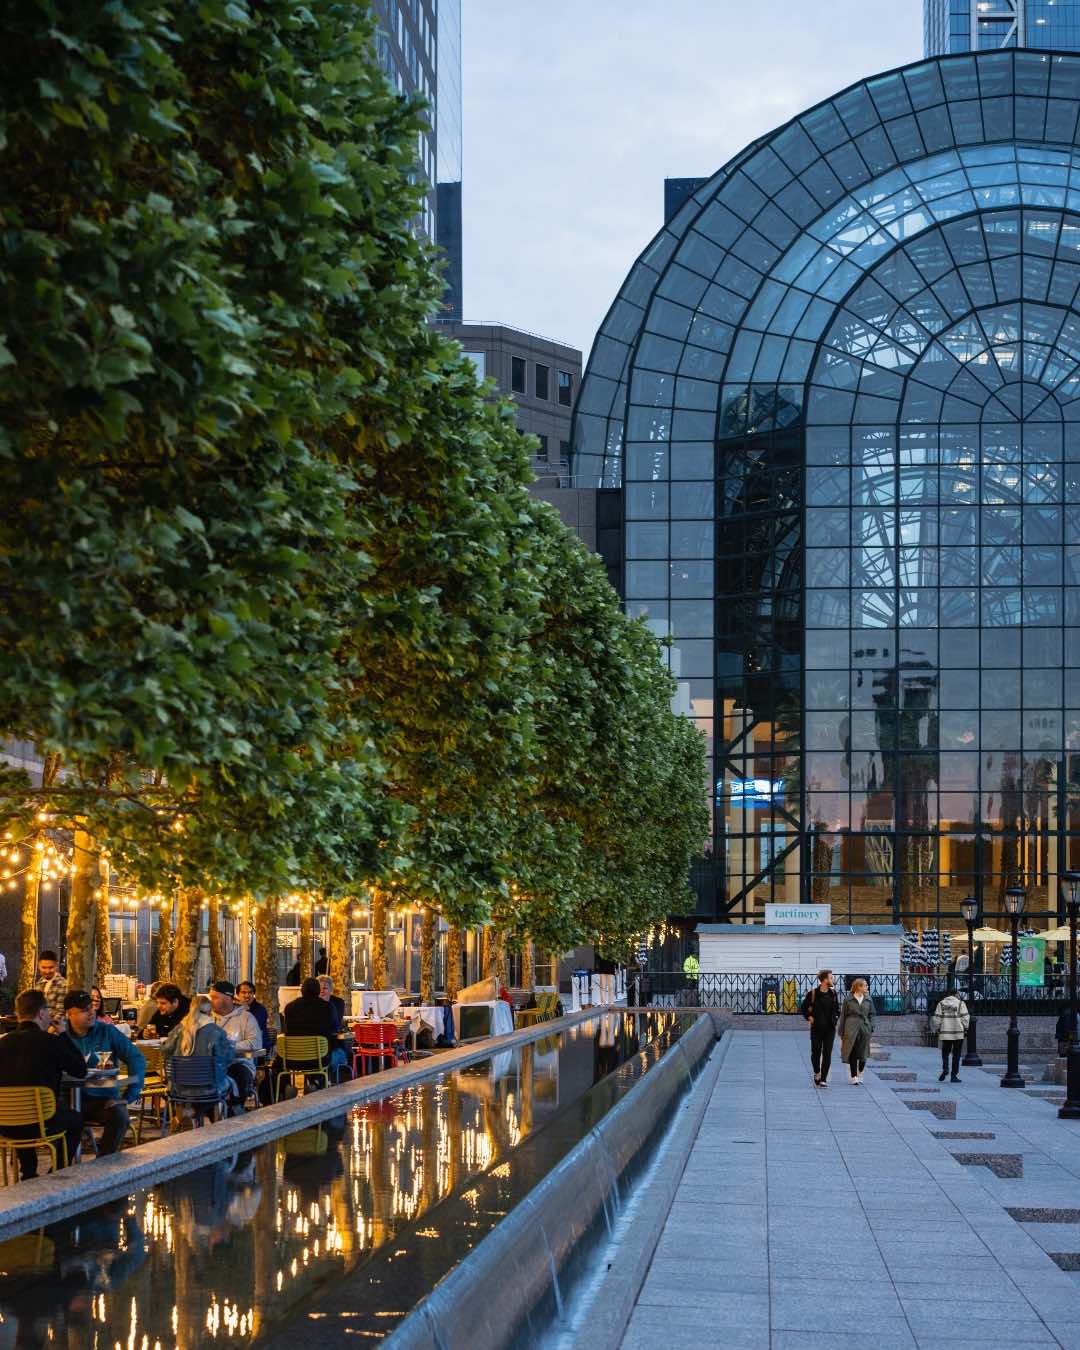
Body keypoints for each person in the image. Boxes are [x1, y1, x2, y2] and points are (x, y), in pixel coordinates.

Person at [0, 988, 85, 1179]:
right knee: (76, 1120)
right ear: (41, 1013)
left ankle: (28, 1172)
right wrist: (63, 1034)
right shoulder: (50, 1042)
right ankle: (55, 1172)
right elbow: (80, 1069)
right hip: (42, 1122)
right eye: (47, 1011)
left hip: (5, 1124)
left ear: (18, 1013)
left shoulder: (2, 1044)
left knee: (21, 1113)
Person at [62, 990, 145, 1157]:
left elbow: (136, 1058)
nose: (91, 1012)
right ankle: (60, 1171)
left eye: (91, 1007)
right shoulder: (60, 1035)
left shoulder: (107, 1031)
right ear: (69, 1014)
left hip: (103, 1099)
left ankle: (103, 1165)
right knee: (58, 1121)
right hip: (68, 1099)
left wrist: (129, 1096)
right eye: (84, 1010)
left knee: (120, 1116)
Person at [161, 994, 237, 1119]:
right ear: (209, 1011)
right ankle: (209, 1119)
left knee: (199, 1089)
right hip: (210, 1089)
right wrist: (231, 1046)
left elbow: (165, 1050)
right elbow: (227, 1058)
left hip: (179, 1088)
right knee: (231, 1084)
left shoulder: (179, 1029)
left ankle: (189, 1114)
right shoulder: (216, 1031)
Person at [278, 978, 348, 1083]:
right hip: (321, 1059)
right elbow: (335, 1029)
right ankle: (325, 1083)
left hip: (292, 1059)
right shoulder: (328, 1007)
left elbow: (287, 1029)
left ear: (302, 990)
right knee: (342, 1054)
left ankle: (309, 1082)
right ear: (317, 990)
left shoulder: (289, 1007)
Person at [208, 980, 261, 1107]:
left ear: (227, 998)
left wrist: (229, 1046)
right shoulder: (206, 1018)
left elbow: (256, 1043)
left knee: (239, 1074)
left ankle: (235, 1109)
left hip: (239, 1062)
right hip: (210, 1064)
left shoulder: (246, 1018)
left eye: (215, 997)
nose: (211, 1001)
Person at [800, 969, 840, 1087]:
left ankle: (823, 1079)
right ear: (824, 980)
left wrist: (836, 1019)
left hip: (830, 1029)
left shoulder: (833, 993)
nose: (832, 980)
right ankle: (817, 1072)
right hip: (816, 1029)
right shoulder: (813, 993)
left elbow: (837, 1009)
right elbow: (803, 1007)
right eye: (831, 978)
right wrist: (809, 1017)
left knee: (827, 1053)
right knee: (815, 1053)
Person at [839, 977, 874, 1085]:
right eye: (865, 985)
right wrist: (841, 1031)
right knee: (853, 1051)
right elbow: (843, 1015)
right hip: (851, 1026)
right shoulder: (848, 999)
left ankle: (860, 1072)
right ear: (858, 987)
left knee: (863, 1052)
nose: (867, 987)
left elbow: (872, 1014)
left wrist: (872, 1026)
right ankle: (854, 1076)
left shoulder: (868, 999)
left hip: (864, 1026)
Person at [931, 987, 970, 1083]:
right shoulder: (961, 1003)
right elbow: (965, 1018)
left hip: (945, 1033)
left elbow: (937, 1018)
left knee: (945, 1053)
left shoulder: (941, 1003)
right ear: (956, 994)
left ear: (948, 994)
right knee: (956, 1055)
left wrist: (937, 1028)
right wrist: (966, 1028)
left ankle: (945, 1069)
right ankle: (954, 1075)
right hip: (958, 1033)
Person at [34, 950, 68, 1030]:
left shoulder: (63, 984)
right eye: (44, 967)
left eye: (51, 967)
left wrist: (49, 1031)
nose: (47, 971)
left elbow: (61, 1013)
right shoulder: (39, 983)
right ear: (39, 966)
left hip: (55, 1030)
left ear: (56, 966)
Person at [237, 981, 273, 1052]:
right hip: (241, 1045)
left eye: (250, 992)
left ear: (253, 994)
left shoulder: (260, 1009)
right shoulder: (235, 1009)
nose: (247, 995)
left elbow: (253, 1028)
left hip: (258, 1047)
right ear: (238, 994)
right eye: (243, 992)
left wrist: (245, 1009)